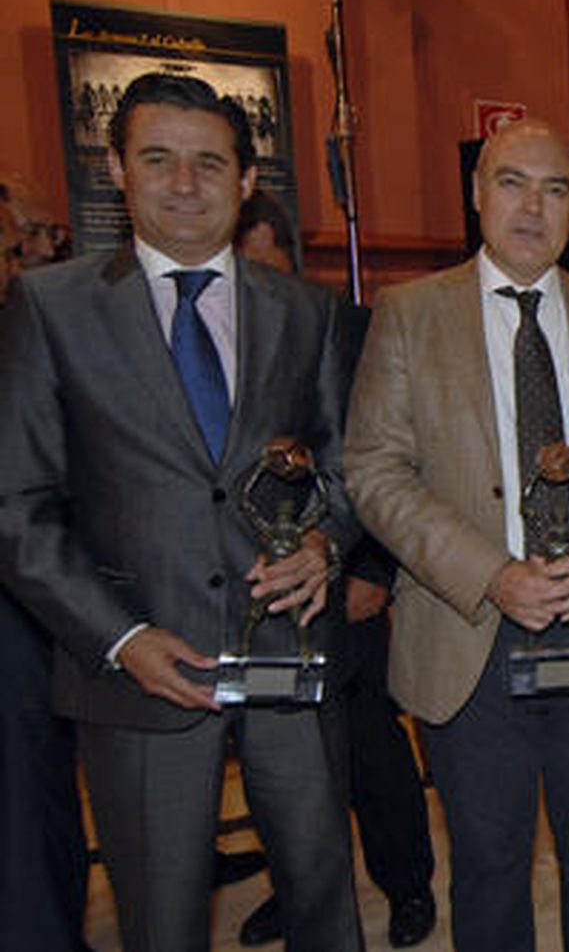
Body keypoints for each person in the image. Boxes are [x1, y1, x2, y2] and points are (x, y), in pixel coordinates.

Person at [0, 73, 361, 951]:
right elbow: (18, 502)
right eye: (158, 159)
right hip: (137, 670)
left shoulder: (306, 310)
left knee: (323, 897)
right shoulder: (52, 306)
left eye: (210, 163)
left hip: (288, 657)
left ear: (245, 182)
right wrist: (119, 637)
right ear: (118, 171)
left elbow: (349, 466)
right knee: (161, 917)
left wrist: (323, 541)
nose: (185, 183)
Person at [344, 118, 569, 950]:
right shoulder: (411, 314)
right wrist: (491, 571)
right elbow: (375, 467)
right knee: (488, 863)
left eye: (555, 188)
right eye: (513, 182)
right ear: (476, 193)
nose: (533, 205)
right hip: (469, 632)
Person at [230, 193, 438, 948]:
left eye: (265, 259)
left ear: (290, 257)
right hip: (255, 592)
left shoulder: (341, 328)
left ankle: (407, 883)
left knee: (372, 748)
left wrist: (373, 568)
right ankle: (299, 889)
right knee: (276, 760)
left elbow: (382, 455)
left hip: (344, 578)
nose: (254, 276)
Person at [0, 184, 89, 952]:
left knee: (38, 805)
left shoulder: (30, 327)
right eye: (17, 242)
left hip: (35, 616)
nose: (29, 254)